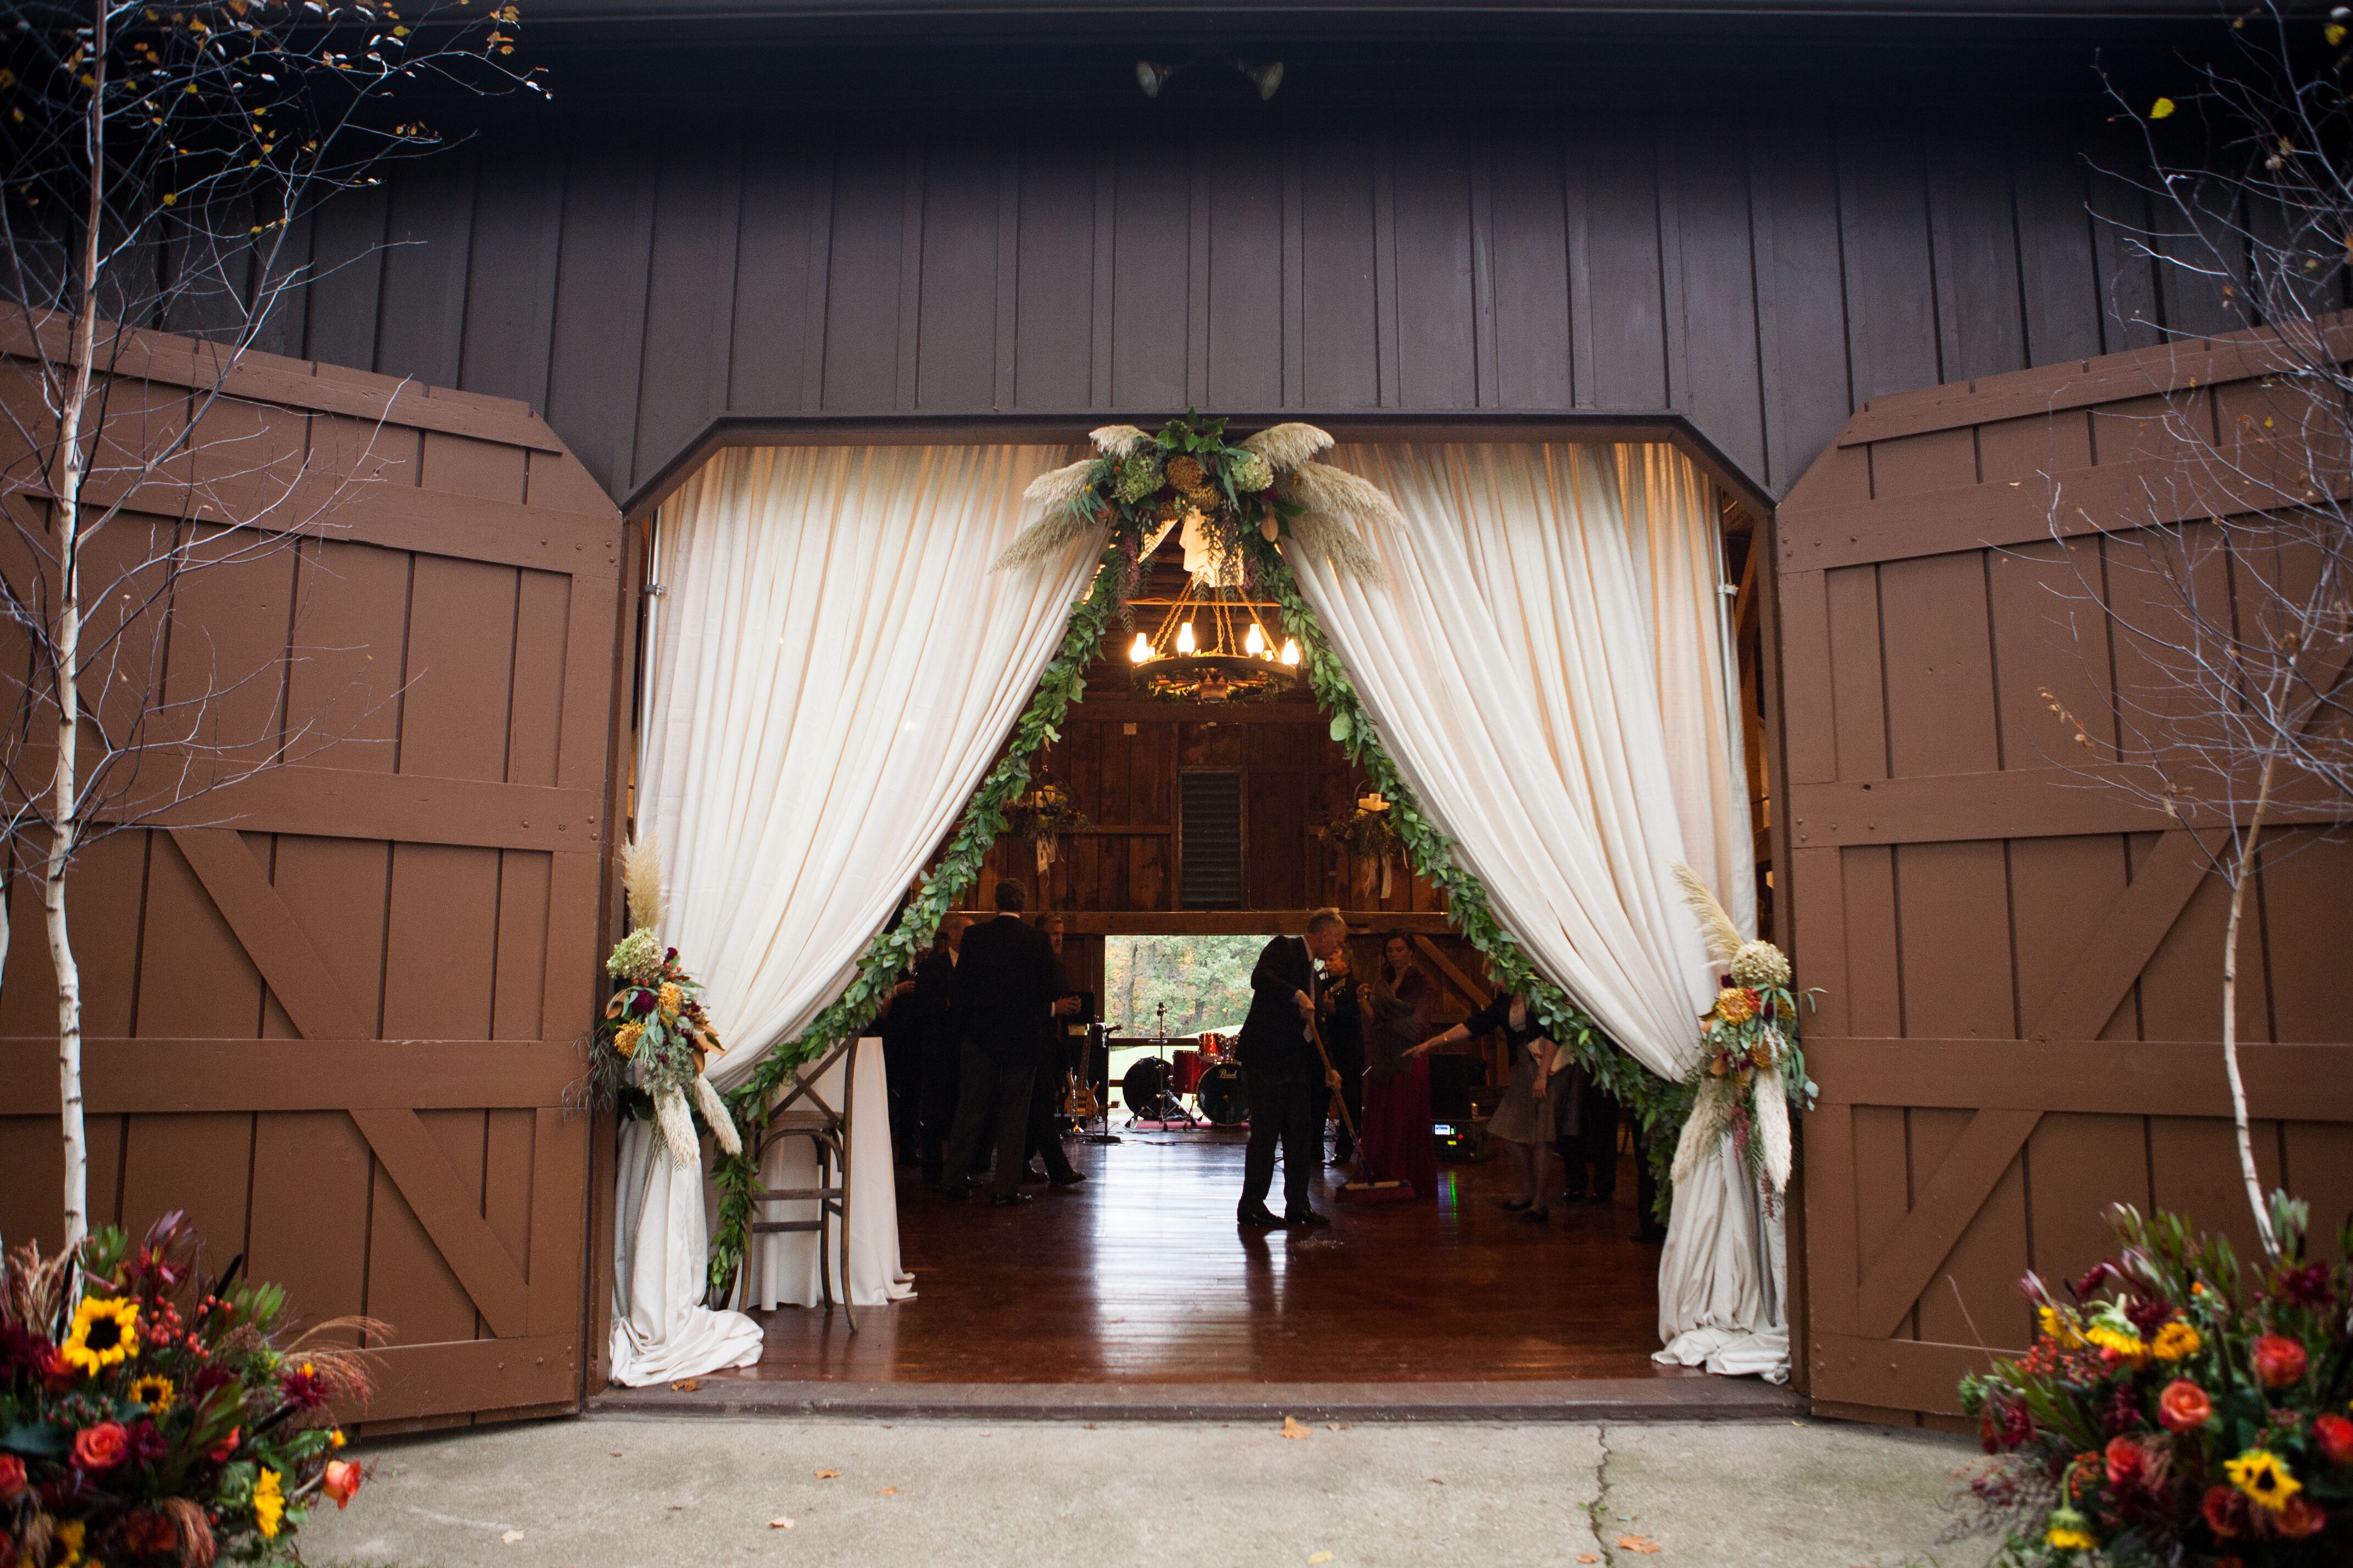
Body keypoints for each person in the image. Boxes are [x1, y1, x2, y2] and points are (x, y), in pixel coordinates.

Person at [942, 880, 1062, 1206]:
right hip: (1022, 1039)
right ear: (1023, 905)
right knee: (1014, 1116)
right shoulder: (1037, 941)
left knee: (969, 1109)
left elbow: (961, 987)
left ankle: (953, 1180)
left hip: (979, 1038)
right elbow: (1050, 989)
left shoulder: (975, 938)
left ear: (996, 902)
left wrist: (966, 1029)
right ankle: (1005, 1188)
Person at [1411, 986, 1574, 1221]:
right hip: (1523, 1066)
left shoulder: (1540, 993)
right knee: (1509, 1135)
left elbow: (1553, 1032)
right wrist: (1432, 1043)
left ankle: (1539, 1204)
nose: (1492, 980)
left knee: (1542, 1136)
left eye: (1494, 973)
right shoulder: (1505, 1000)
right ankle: (1528, 1193)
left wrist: (1543, 1075)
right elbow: (1474, 1025)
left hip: (1546, 1066)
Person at [1234, 909, 1347, 1228]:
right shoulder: (1284, 948)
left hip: (1297, 1062)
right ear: (1322, 935)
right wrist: (1296, 995)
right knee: (1266, 1135)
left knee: (1300, 1136)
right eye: (1336, 942)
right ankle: (1252, 1205)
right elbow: (1260, 978)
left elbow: (1317, 1026)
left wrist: (1331, 1069)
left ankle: (1298, 1205)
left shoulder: (1314, 974)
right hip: (1267, 1058)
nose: (1337, 950)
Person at [1358, 931, 1439, 1202]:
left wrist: (1384, 1022)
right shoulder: (1384, 982)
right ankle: (1382, 1174)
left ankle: (1410, 1178)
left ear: (1411, 952)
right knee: (1383, 1116)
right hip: (1384, 1057)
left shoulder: (1422, 983)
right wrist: (1362, 1001)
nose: (1394, 955)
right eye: (1390, 950)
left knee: (1406, 1117)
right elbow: (1372, 1022)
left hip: (1410, 1057)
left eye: (1400, 950)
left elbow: (1419, 1026)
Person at [1016, 911, 1087, 1189]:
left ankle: (1022, 1165)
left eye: (1061, 934)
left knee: (1038, 1111)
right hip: (1033, 1045)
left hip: (1053, 1045)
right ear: (1040, 934)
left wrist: (1073, 1005)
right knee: (1042, 1111)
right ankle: (1059, 1171)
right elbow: (1027, 1005)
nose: (1058, 938)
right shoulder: (1029, 964)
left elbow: (1060, 999)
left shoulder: (1057, 964)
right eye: (1053, 933)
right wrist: (1057, 1007)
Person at [914, 913, 972, 1191]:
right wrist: (947, 1005)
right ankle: (933, 1170)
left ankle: (960, 1171)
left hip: (966, 1047)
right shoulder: (933, 965)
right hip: (939, 1048)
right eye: (967, 933)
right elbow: (923, 1004)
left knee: (962, 1111)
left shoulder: (976, 966)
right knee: (935, 1111)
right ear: (953, 934)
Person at [1318, 944, 1366, 1165]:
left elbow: (1358, 1018)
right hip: (1323, 1052)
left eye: (1333, 958)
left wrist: (1335, 1011)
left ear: (1346, 963)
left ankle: (1345, 1150)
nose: (1327, 963)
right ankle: (1313, 1150)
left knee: (1349, 1101)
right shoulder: (1321, 985)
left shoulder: (1356, 987)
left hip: (1348, 1052)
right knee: (1318, 1102)